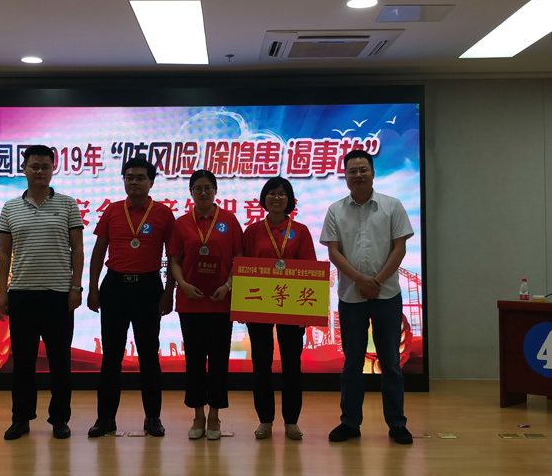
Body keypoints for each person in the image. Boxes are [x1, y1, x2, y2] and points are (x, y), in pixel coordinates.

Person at [319, 149, 414, 445]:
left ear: (373, 173)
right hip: (351, 296)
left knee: (391, 363)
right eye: (352, 171)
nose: (358, 175)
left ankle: (397, 423)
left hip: (387, 296)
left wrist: (377, 282)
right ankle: (350, 423)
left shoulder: (392, 205)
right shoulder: (335, 210)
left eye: (363, 169)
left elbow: (399, 248)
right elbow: (334, 252)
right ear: (345, 176)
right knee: (352, 363)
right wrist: (361, 280)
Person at [0, 144, 84, 440]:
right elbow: (4, 252)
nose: (39, 171)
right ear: (24, 169)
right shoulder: (10, 208)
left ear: (53, 169)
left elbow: (78, 249)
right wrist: (3, 291)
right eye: (34, 166)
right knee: (23, 362)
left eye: (45, 166)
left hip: (58, 295)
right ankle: (21, 418)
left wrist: (75, 287)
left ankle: (60, 419)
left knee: (60, 361)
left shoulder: (68, 205)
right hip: (21, 294)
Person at [87, 157, 175, 437]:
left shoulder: (163, 213)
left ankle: (153, 418)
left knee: (149, 355)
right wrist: (92, 288)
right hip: (115, 287)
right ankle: (105, 419)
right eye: (129, 177)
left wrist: (169, 292)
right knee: (111, 356)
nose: (134, 181)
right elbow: (99, 251)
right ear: (123, 180)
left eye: (140, 177)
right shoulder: (113, 211)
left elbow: (174, 256)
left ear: (151, 182)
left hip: (148, 288)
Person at [168, 170, 243, 440]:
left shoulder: (229, 220)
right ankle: (198, 415)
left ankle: (215, 416)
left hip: (221, 303)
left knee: (219, 362)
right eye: (197, 188)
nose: (203, 192)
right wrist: (183, 285)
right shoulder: (181, 223)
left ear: (215, 190)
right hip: (191, 303)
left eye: (208, 188)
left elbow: (239, 259)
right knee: (195, 362)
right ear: (190, 192)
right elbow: (174, 260)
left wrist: (228, 286)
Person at [243, 176, 317, 440]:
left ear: (290, 200)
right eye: (272, 193)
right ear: (264, 198)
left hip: (292, 306)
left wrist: (306, 312)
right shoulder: (252, 231)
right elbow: (242, 266)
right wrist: (242, 306)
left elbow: (309, 268)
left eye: (282, 194)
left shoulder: (301, 230)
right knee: (261, 364)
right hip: (259, 304)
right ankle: (265, 420)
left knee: (292, 365)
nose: (277, 198)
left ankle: (291, 422)